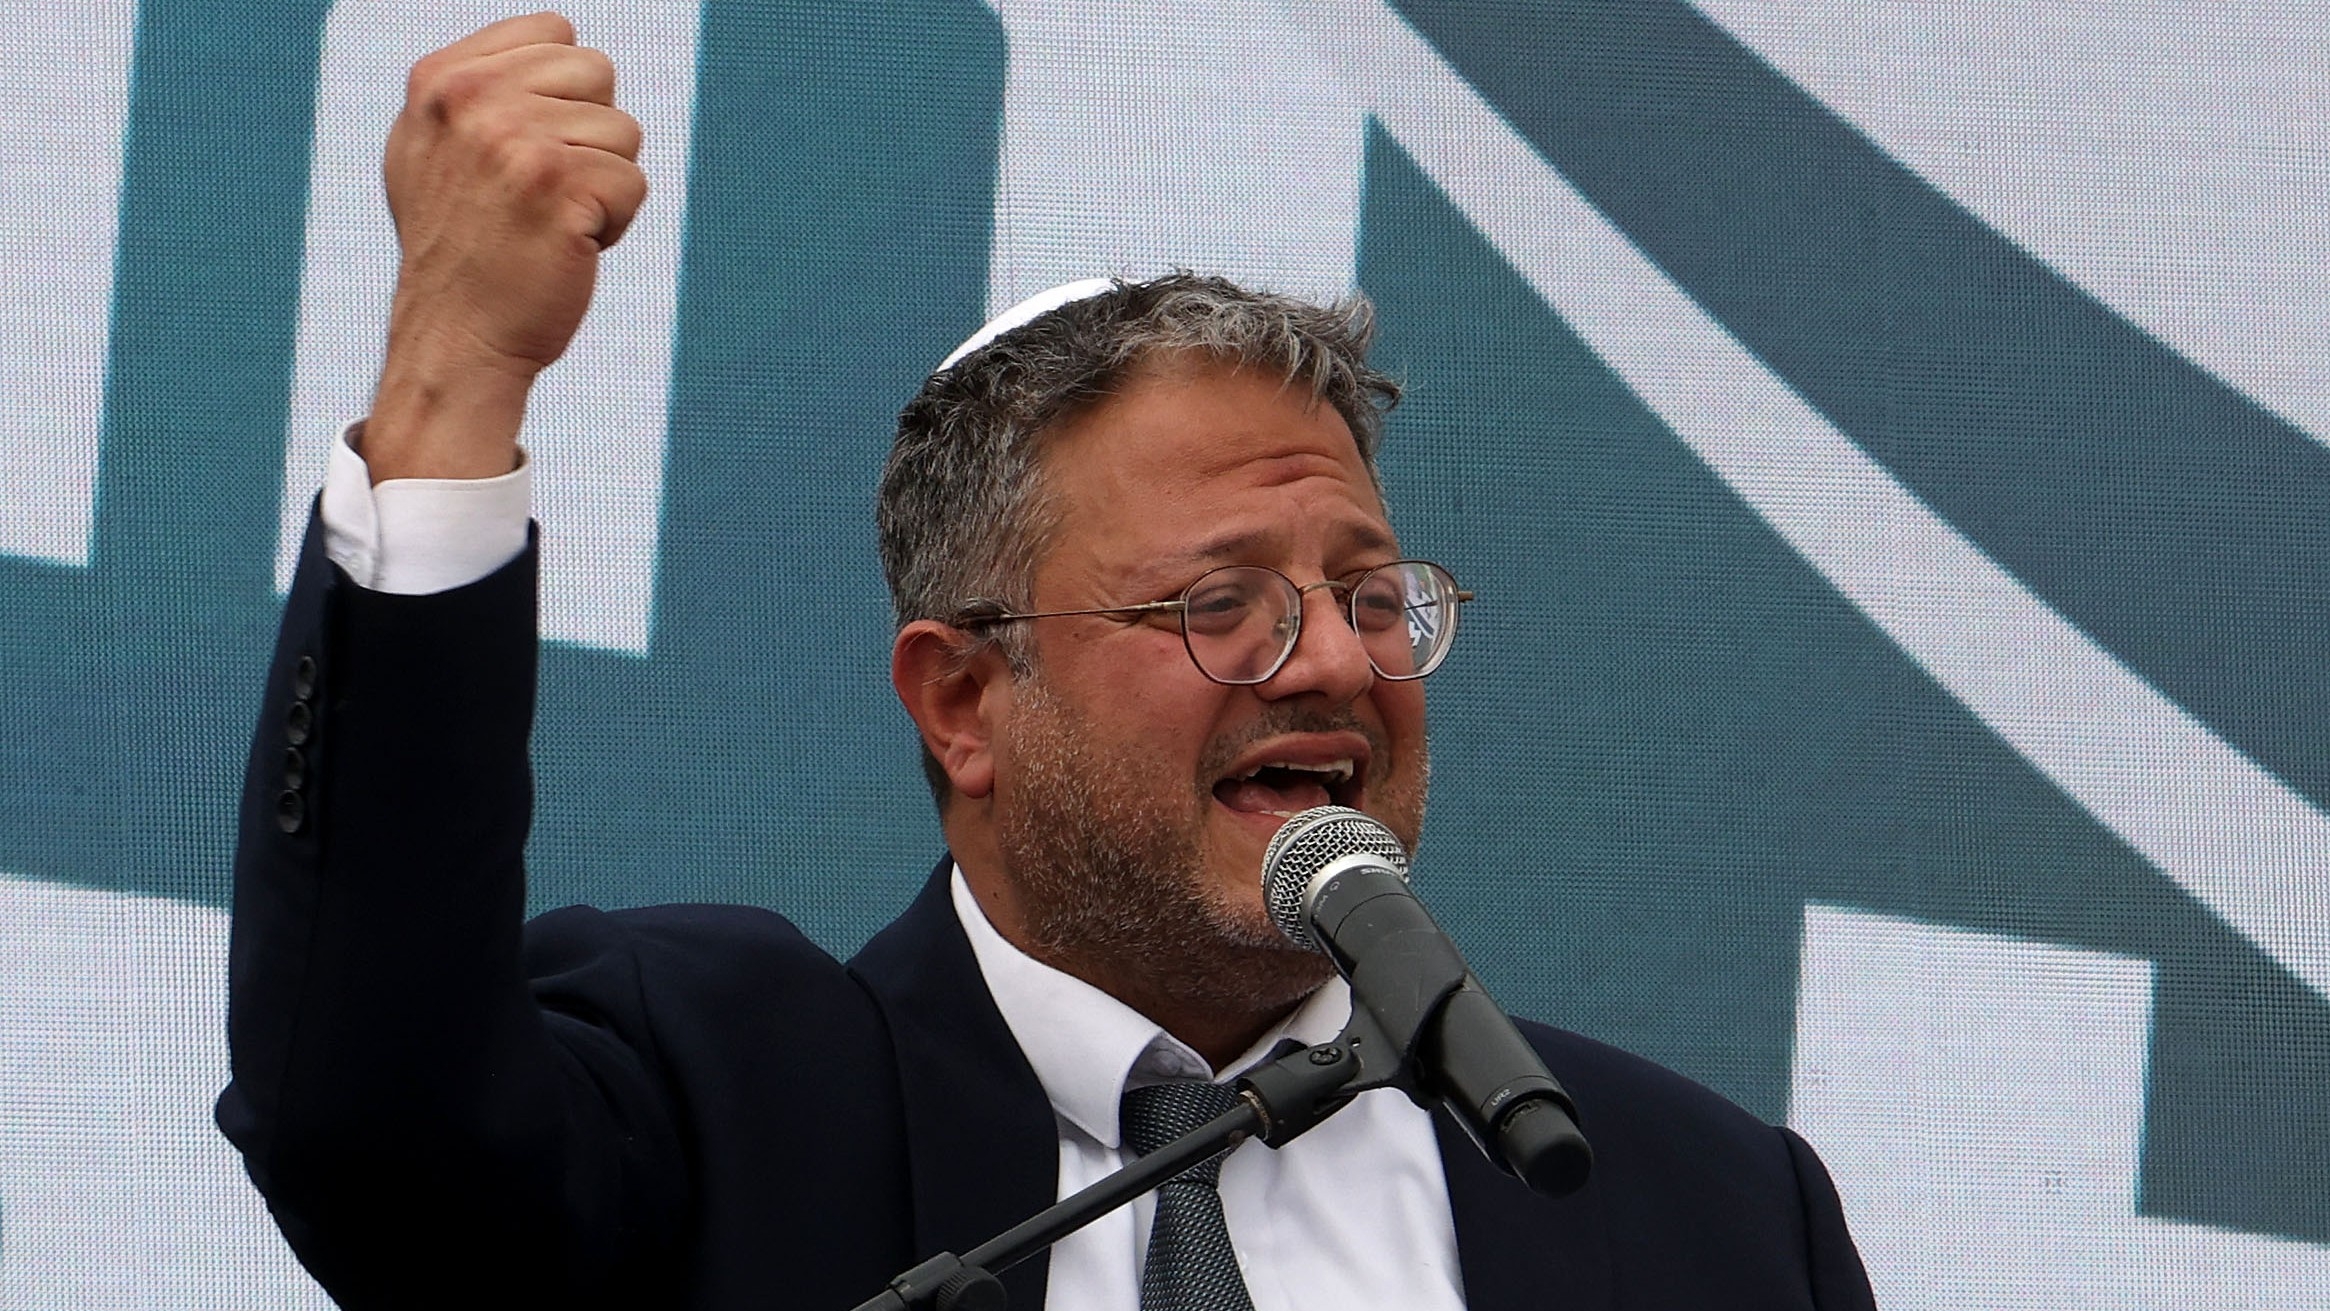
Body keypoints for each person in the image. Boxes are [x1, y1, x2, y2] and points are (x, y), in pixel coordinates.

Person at [219, 14, 1877, 1311]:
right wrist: (454, 375)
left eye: (1370, 595)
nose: (1330, 668)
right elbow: (376, 1125)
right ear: (962, 701)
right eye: (1220, 604)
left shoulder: (1706, 1212)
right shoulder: (724, 1106)